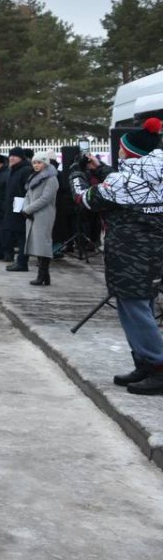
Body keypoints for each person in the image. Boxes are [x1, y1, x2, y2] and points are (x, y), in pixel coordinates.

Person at [71, 117, 163, 394]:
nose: (119, 152)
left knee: (135, 310)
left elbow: (84, 198)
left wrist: (76, 173)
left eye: (122, 149)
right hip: (153, 252)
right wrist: (102, 169)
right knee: (141, 305)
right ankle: (145, 362)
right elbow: (128, 183)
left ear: (131, 153)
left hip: (130, 254)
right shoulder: (154, 173)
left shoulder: (124, 183)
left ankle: (158, 366)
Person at [22, 151, 58, 285]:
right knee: (36, 244)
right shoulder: (34, 177)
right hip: (31, 214)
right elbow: (27, 195)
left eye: (39, 162)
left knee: (43, 244)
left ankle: (42, 274)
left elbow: (46, 198)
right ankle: (44, 276)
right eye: (34, 163)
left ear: (45, 163)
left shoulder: (51, 178)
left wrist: (29, 209)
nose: (36, 165)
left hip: (43, 215)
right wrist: (26, 208)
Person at [4, 147, 33, 272]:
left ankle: (22, 262)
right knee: (17, 234)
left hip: (21, 208)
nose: (12, 158)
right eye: (10, 156)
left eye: (14, 156)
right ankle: (19, 260)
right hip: (13, 206)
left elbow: (27, 191)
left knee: (22, 236)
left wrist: (23, 208)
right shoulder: (13, 170)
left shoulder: (25, 170)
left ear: (21, 157)